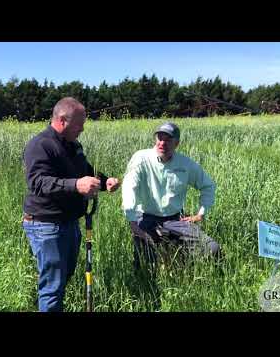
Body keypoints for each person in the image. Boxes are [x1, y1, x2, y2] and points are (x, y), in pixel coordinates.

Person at [22, 97, 120, 312]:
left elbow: (86, 171)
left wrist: (105, 182)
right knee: (53, 286)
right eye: (79, 124)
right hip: (46, 225)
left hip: (69, 223)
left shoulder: (73, 145)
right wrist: (76, 185)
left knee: (62, 279)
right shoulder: (40, 145)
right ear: (62, 120)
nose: (83, 129)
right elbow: (38, 183)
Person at [121, 122, 220, 271]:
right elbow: (129, 186)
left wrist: (200, 214)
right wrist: (132, 221)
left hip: (175, 219)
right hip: (145, 217)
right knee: (144, 264)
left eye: (168, 139)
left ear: (177, 143)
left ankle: (191, 272)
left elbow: (208, 186)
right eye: (159, 138)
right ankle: (144, 282)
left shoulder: (185, 164)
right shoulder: (141, 158)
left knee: (212, 249)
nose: (162, 143)